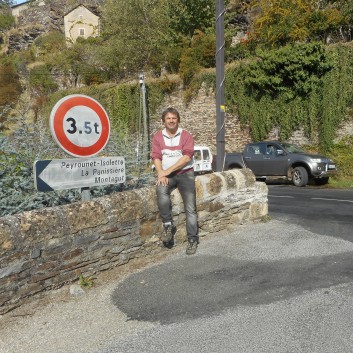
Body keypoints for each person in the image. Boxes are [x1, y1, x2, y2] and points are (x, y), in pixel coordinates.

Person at [151, 107, 199, 255]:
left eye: (174, 118)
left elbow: (186, 158)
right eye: (168, 119)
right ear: (164, 121)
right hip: (167, 175)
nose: (171, 121)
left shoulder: (186, 136)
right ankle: (168, 226)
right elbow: (156, 156)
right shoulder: (158, 137)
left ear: (178, 120)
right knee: (160, 190)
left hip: (185, 174)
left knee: (190, 208)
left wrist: (166, 171)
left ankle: (192, 240)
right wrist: (161, 173)